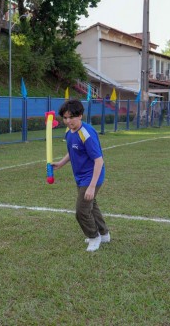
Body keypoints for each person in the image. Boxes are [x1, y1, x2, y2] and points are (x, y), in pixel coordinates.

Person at [52, 99, 110, 252]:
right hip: (80, 176)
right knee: (91, 205)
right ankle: (104, 234)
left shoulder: (86, 134)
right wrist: (60, 163)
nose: (68, 121)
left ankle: (94, 237)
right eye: (65, 118)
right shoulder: (69, 132)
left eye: (71, 117)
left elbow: (99, 161)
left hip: (92, 177)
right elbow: (73, 151)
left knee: (82, 211)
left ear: (80, 116)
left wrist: (91, 186)